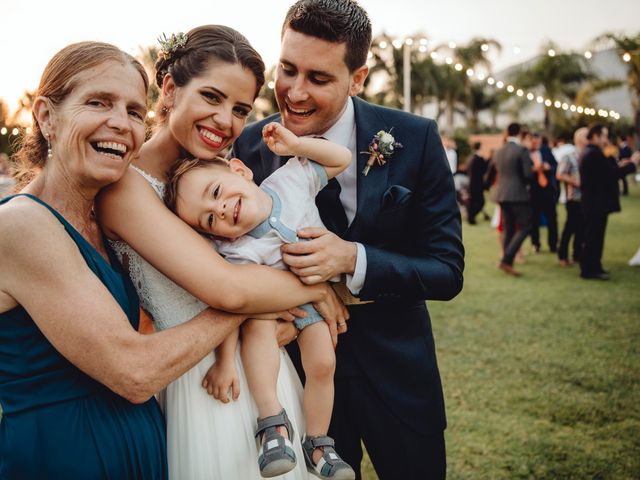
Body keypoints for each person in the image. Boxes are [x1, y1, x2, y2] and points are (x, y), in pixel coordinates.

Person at [95, 25, 346, 480]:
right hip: (202, 385)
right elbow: (229, 289)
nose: (225, 121)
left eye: (240, 109)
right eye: (211, 97)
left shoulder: (221, 183)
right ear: (169, 88)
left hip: (261, 372)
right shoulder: (126, 188)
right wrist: (313, 284)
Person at [231, 1, 464, 478]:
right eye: (288, 69)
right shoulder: (248, 146)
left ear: (358, 79)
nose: (294, 92)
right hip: (295, 374)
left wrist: (352, 258)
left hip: (399, 372)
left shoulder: (414, 138)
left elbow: (446, 269)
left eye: (319, 78)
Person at [0, 40, 242, 480]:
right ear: (46, 116)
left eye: (134, 111)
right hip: (64, 458)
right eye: (98, 102)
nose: (120, 124)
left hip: (141, 447)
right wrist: (242, 304)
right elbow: (135, 372)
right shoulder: (20, 225)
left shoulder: (105, 222)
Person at [165, 123, 355, 479]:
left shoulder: (290, 181)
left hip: (309, 306)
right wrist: (224, 362)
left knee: (323, 364)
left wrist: (298, 144)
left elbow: (341, 158)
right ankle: (272, 424)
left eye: (217, 191)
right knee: (259, 333)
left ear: (239, 170)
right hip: (266, 309)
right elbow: (229, 306)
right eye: (209, 219)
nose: (220, 209)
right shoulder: (233, 250)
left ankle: (317, 442)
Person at [579, 123, 636, 280]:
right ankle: (590, 269)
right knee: (593, 237)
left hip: (593, 202)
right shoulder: (593, 154)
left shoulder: (592, 152)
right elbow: (610, 174)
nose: (606, 139)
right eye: (603, 136)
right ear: (596, 136)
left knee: (595, 236)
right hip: (595, 203)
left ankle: (594, 266)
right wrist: (632, 164)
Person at [494, 122, 534, 276]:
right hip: (518, 194)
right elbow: (528, 175)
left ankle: (506, 261)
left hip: (502, 194)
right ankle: (507, 258)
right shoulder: (522, 150)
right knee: (526, 227)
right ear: (519, 133)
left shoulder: (499, 150)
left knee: (509, 229)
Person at [556, 128, 587, 267]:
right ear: (580, 139)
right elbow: (560, 174)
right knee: (570, 227)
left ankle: (578, 255)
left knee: (582, 228)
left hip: (586, 198)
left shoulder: (588, 155)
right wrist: (576, 181)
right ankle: (562, 255)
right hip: (573, 198)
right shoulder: (569, 156)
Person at [466, 141, 488, 224]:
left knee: (472, 202)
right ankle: (471, 217)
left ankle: (471, 218)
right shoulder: (479, 159)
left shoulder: (469, 158)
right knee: (480, 202)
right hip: (477, 184)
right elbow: (484, 170)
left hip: (470, 184)